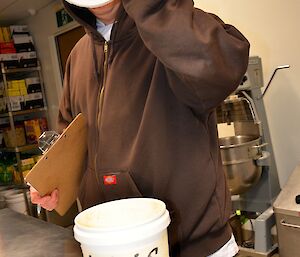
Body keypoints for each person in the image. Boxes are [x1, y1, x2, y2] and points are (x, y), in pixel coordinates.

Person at [31, 0, 250, 256]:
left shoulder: (174, 28)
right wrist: (53, 179)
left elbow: (225, 66)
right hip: (114, 245)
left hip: (193, 245)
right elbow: (70, 135)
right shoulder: (78, 56)